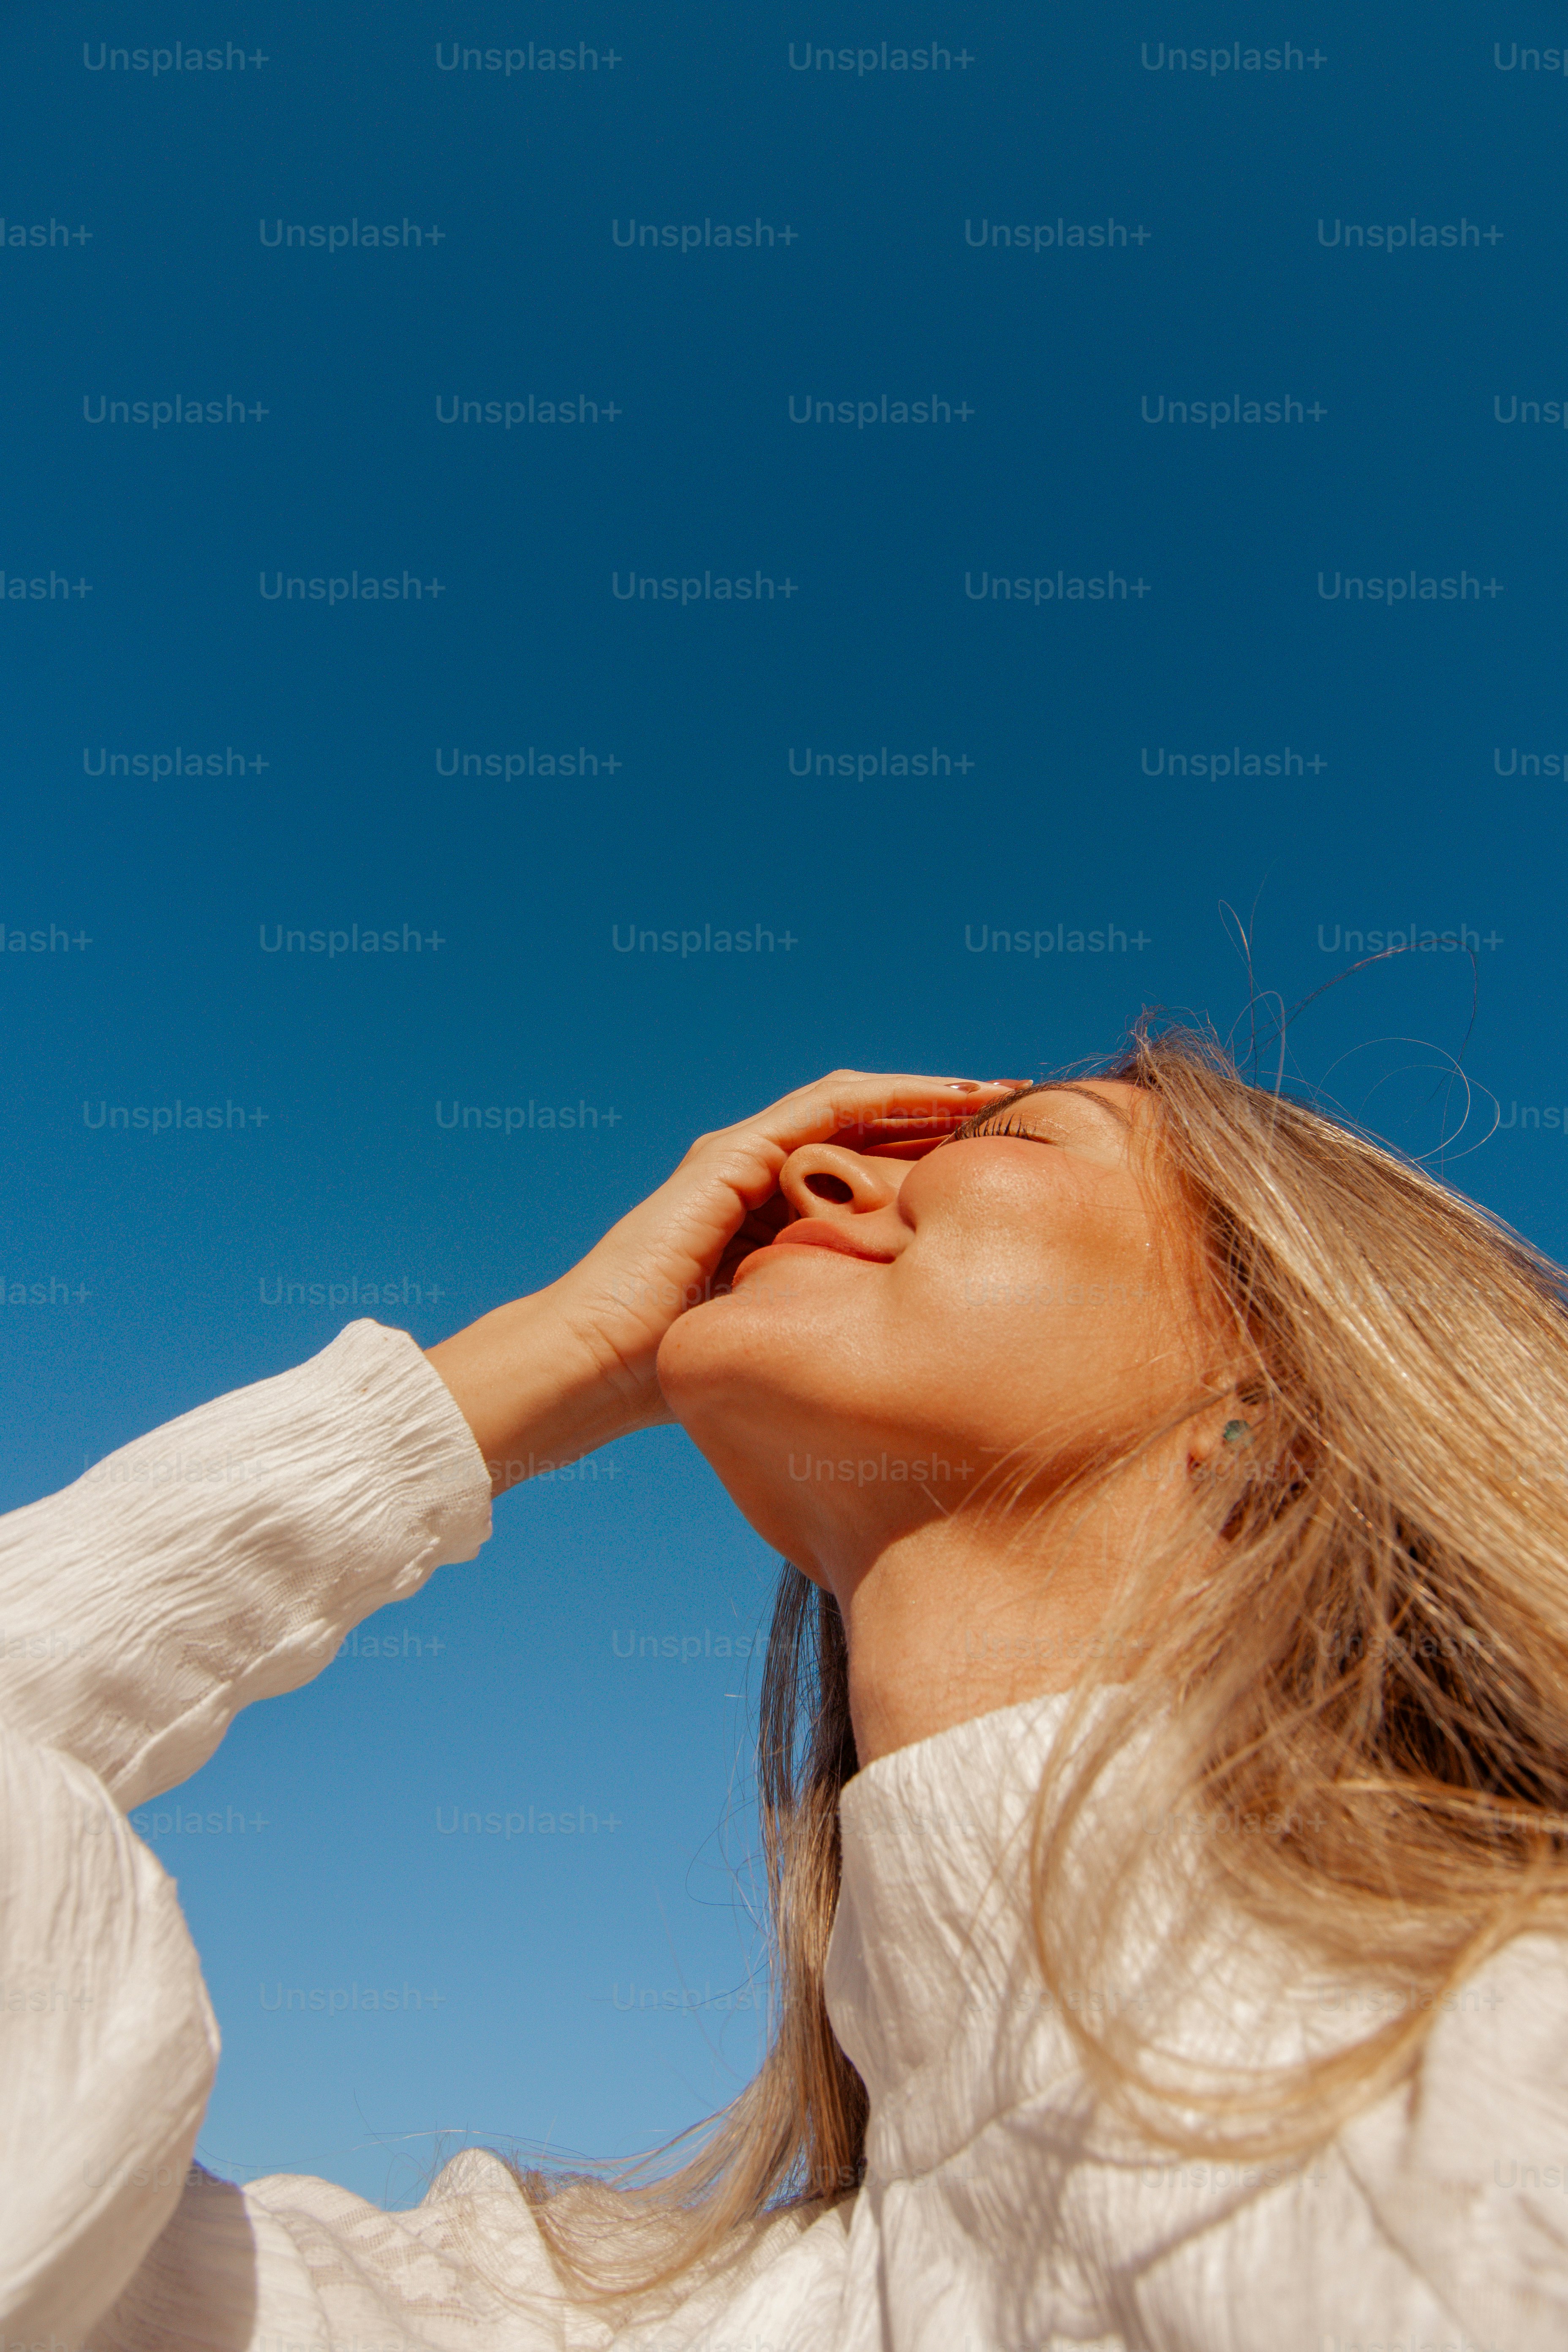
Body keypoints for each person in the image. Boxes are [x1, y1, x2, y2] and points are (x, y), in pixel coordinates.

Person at [4, 1029, 1568, 2352]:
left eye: (1014, 1139)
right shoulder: (591, 2314)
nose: (809, 1178)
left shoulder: (1519, 2084)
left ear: (1275, 1410)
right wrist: (527, 1368)